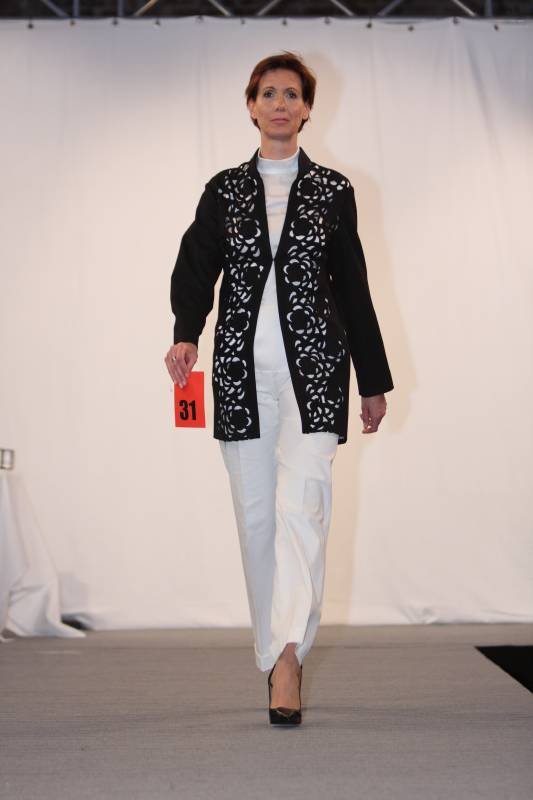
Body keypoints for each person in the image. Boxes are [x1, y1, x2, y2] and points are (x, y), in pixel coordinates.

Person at [165, 51, 394, 725]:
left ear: (307, 108)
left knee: (304, 510)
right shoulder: (224, 191)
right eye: (268, 93)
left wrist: (373, 379)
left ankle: (289, 656)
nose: (280, 104)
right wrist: (186, 333)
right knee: (258, 518)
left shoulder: (332, 190)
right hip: (240, 375)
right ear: (251, 105)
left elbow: (353, 287)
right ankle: (272, 652)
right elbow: (194, 267)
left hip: (316, 376)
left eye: (291, 94)